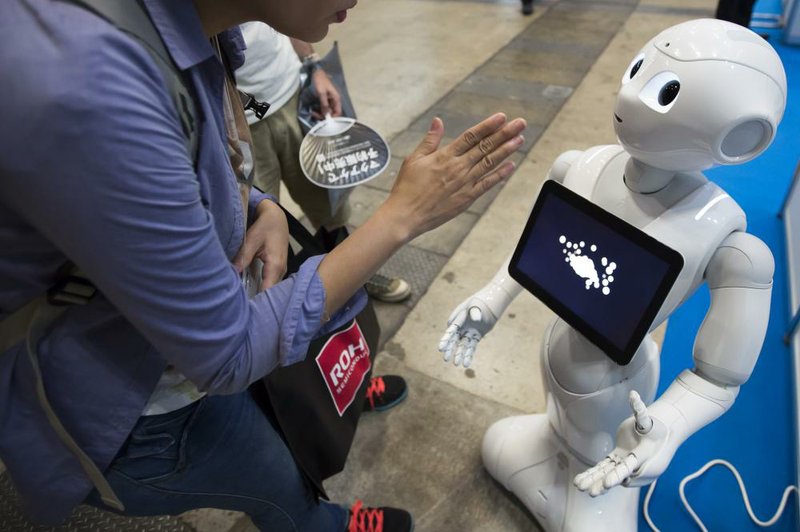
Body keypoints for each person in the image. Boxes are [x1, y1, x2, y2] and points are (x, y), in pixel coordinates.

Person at [0, 1, 527, 531]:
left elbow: (192, 165)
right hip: (138, 411)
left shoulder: (194, 27)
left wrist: (260, 203)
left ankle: (332, 397)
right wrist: (401, 218)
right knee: (281, 481)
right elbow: (228, 352)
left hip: (182, 355)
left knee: (294, 396)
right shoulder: (93, 89)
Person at [438, 18, 785, 531]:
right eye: (637, 72)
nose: (629, 97)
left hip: (613, 389)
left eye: (663, 92)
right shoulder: (581, 165)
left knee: (588, 464)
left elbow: (719, 376)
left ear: (743, 136)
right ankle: (553, 443)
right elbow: (536, 247)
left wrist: (667, 424)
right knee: (500, 444)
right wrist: (491, 298)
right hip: (555, 357)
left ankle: (586, 473)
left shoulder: (728, 242)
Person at [235, 22, 413, 304]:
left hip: (292, 94)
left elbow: (284, 10)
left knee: (330, 202)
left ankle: (356, 279)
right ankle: (283, 309)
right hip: (236, 121)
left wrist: (313, 65)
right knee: (254, 231)